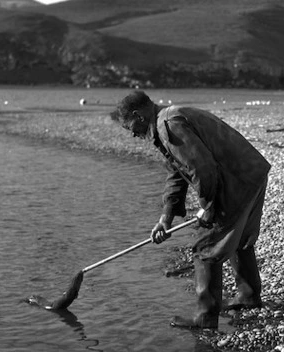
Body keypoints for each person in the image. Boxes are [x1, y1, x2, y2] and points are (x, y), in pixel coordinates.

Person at [112, 91, 271, 329]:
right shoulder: (166, 121)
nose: (133, 134)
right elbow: (177, 173)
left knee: (204, 248)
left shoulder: (169, 125)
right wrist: (165, 218)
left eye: (130, 127)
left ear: (138, 115)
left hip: (237, 179)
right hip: (251, 172)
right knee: (240, 238)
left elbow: (203, 169)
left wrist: (208, 207)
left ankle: (206, 317)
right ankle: (248, 297)